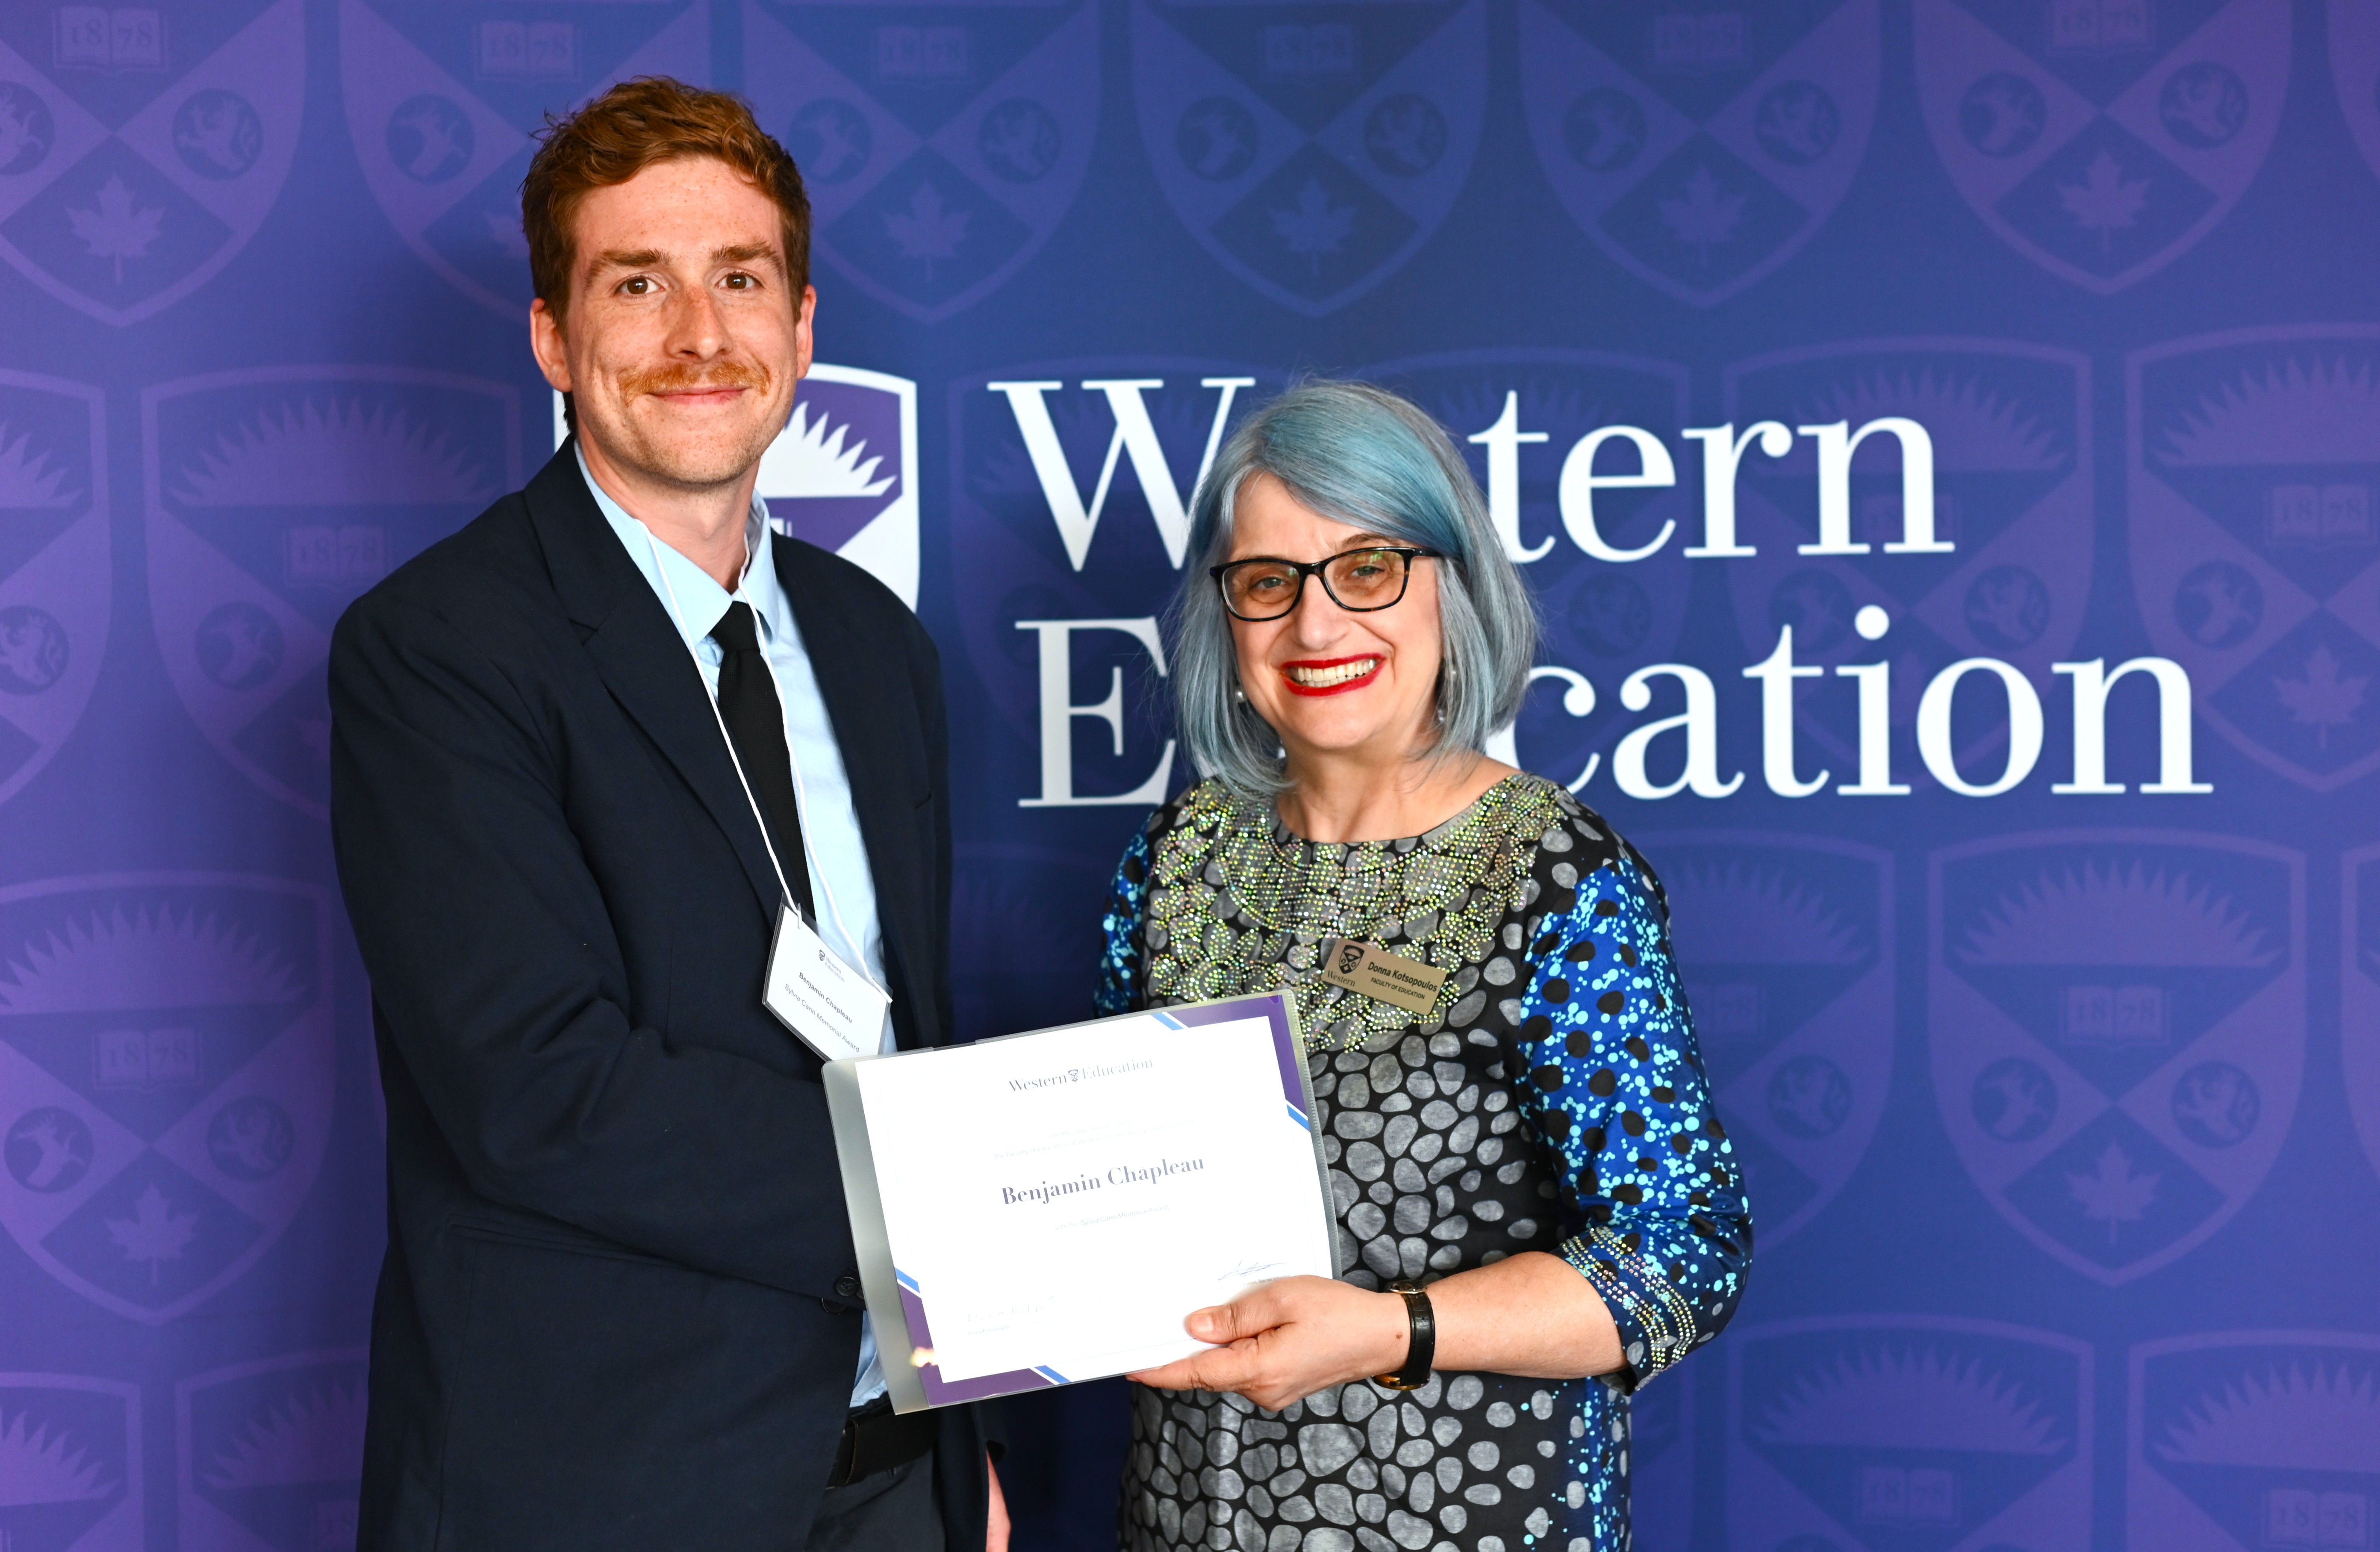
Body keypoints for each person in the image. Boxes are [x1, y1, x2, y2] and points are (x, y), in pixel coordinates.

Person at [330, 79, 1003, 1551]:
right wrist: (972, 1188)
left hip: (898, 1477)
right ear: (553, 339)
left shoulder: (876, 646)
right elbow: (540, 1092)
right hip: (603, 1488)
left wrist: (969, 1427)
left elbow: (907, 1035)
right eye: (639, 284)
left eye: (741, 280)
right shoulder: (440, 649)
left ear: (803, 327)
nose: (702, 335)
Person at [1095, 382, 1753, 1552]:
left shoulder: (1554, 875)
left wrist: (1394, 1330)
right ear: (1226, 615)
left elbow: (1679, 1256)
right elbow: (1109, 1181)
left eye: (1367, 570)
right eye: (1270, 583)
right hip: (1190, 1515)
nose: (1316, 628)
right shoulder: (1177, 859)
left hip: (1473, 1515)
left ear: (1453, 584)